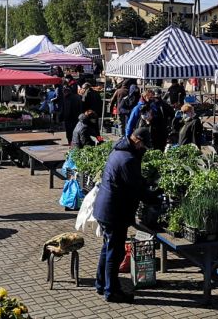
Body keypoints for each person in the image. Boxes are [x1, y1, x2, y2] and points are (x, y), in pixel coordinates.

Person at [93, 127, 149, 304]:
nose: (145, 149)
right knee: (115, 253)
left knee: (107, 248)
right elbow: (136, 188)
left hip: (105, 208)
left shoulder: (119, 150)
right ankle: (112, 291)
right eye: (144, 146)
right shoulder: (128, 159)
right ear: (138, 142)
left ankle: (101, 284)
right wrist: (154, 197)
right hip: (114, 212)